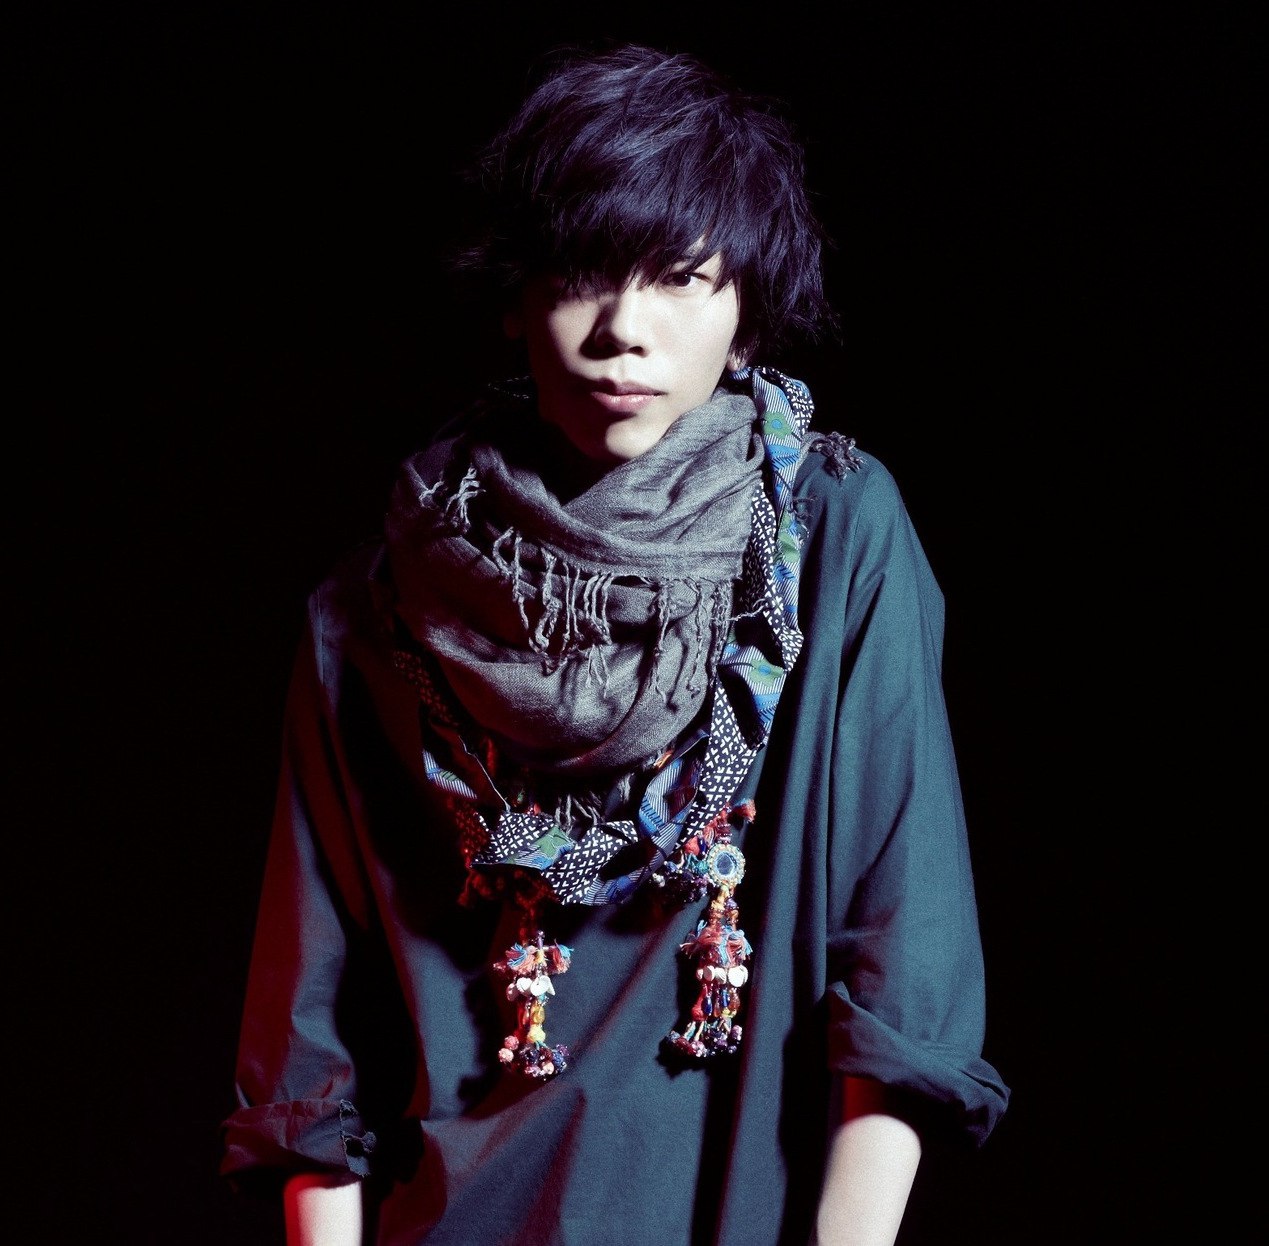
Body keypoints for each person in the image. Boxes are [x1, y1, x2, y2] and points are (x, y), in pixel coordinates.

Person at [219, 41, 1010, 1246]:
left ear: (745, 308)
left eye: (680, 277)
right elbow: (309, 1057)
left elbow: (905, 970)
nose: (624, 329)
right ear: (515, 298)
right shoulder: (374, 607)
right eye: (581, 274)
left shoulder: (832, 536)